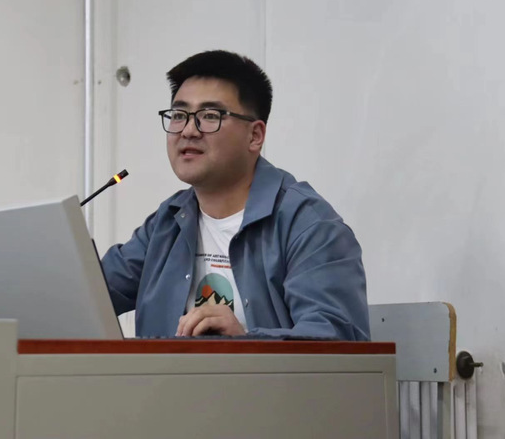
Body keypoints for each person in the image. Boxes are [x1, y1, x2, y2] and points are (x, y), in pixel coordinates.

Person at [101, 50, 369, 340]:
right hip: (169, 373)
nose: (188, 130)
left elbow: (338, 341)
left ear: (255, 136)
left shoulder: (309, 226)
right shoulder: (168, 222)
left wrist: (245, 344)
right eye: (179, 115)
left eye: (209, 116)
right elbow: (91, 293)